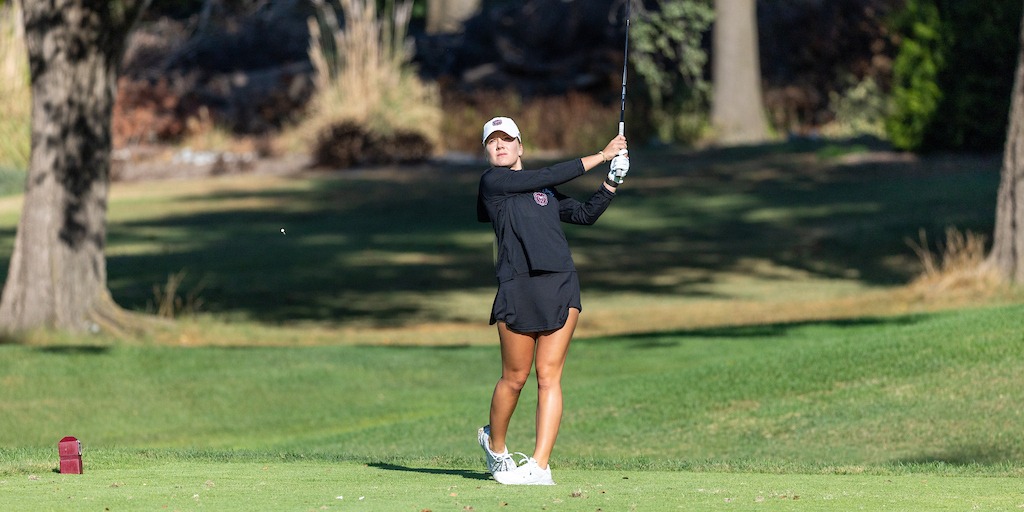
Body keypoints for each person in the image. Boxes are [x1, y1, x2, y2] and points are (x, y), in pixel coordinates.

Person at [475, 116, 630, 485]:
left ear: (520, 146)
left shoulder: (542, 192)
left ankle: (540, 466)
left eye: (506, 140)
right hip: (518, 285)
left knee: (549, 376)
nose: (500, 146)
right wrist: (602, 155)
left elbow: (583, 214)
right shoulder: (493, 183)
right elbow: (545, 176)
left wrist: (612, 181)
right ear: (487, 151)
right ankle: (496, 447)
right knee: (514, 378)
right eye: (492, 142)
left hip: (560, 283)